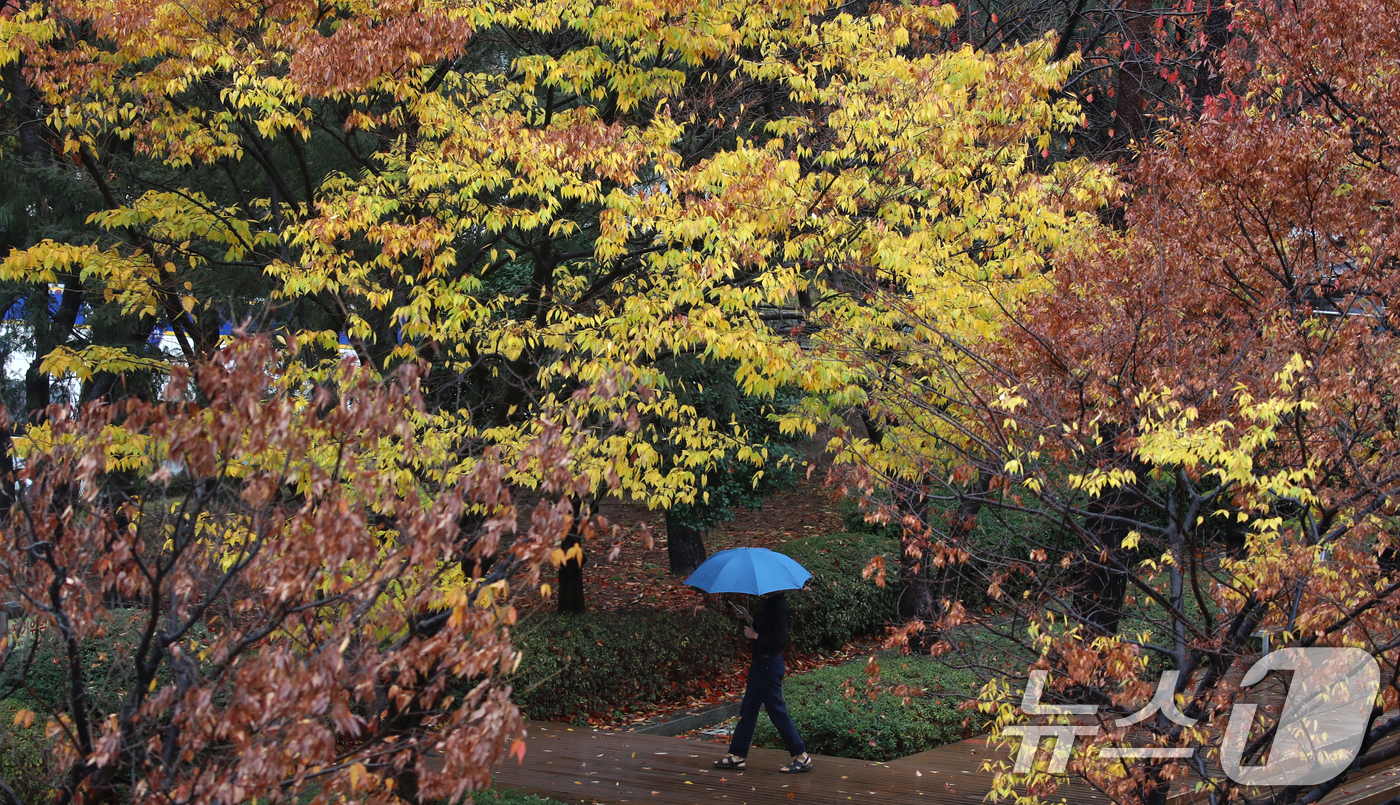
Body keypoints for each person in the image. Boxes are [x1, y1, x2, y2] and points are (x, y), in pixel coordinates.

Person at [714, 590, 813, 774]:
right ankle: (737, 756)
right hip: (760, 664)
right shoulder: (771, 602)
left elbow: (779, 641)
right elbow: (766, 628)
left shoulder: (779, 606)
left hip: (769, 665)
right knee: (749, 709)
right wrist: (749, 618)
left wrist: (755, 636)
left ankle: (802, 756)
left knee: (776, 710)